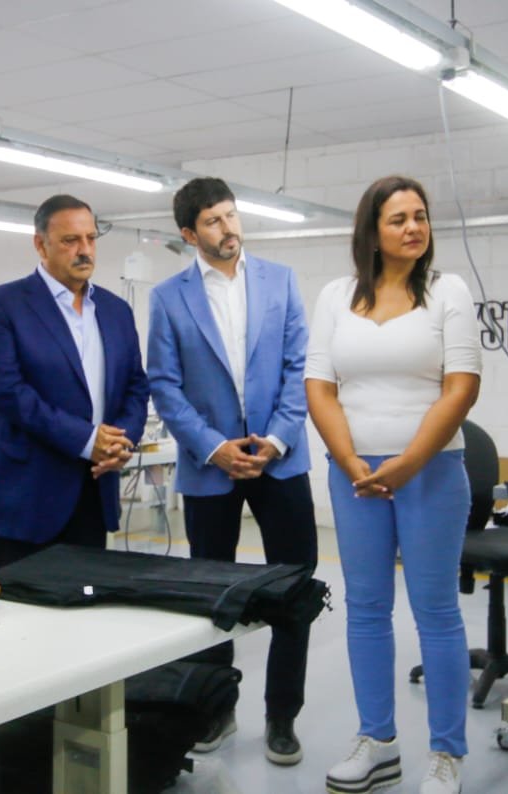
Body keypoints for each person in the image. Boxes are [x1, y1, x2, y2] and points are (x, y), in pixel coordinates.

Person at [305, 175, 481, 794]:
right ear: (372, 232)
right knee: (366, 608)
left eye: (421, 216)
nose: (414, 227)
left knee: (436, 611)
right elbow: (319, 387)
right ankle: (377, 741)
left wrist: (408, 461)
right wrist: (349, 459)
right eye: (399, 218)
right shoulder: (335, 296)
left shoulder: (448, 291)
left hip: (431, 471)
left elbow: (462, 386)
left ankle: (447, 753)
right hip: (355, 476)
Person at [147, 177, 316, 765]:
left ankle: (282, 716)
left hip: (280, 460)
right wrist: (213, 447)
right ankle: (216, 709)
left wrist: (277, 438)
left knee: (294, 589)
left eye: (231, 215)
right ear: (189, 233)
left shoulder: (280, 281)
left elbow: (299, 366)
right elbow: (164, 385)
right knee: (211, 597)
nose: (228, 228)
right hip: (210, 467)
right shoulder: (168, 298)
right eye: (213, 221)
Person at [0, 194, 149, 570]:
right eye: (70, 240)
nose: (84, 250)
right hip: (26, 493)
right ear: (41, 244)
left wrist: (122, 441)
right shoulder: (3, 305)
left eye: (91, 238)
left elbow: (135, 385)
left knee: (88, 595)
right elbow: (5, 390)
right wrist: (86, 440)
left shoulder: (116, 311)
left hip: (93, 486)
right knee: (19, 601)